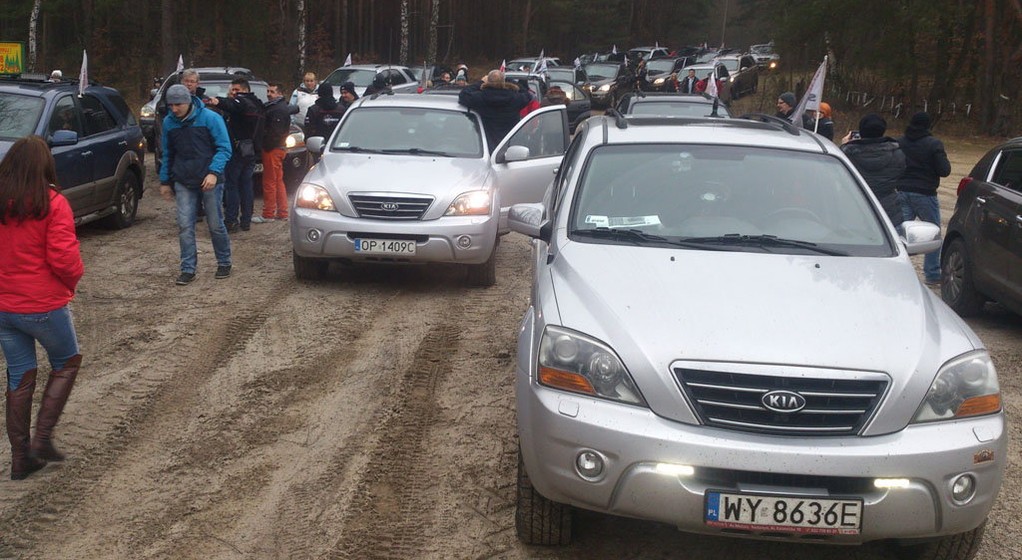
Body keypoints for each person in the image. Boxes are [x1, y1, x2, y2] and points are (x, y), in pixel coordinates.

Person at [0, 136, 84, 480]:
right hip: (42, 304)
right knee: (66, 362)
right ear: (45, 164)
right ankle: (42, 440)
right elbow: (64, 259)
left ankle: (21, 459)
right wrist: (71, 283)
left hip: (4, 306)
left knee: (20, 376)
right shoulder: (53, 203)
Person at [158, 84, 233, 285]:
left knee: (215, 224)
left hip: (210, 178)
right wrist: (165, 181)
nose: (174, 109)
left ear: (188, 101)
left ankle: (224, 261)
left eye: (178, 105)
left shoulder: (211, 118)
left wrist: (214, 172)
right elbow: (167, 153)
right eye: (171, 105)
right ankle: (188, 268)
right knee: (184, 225)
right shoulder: (169, 123)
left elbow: (224, 148)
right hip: (184, 179)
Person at [897, 111, 951, 285]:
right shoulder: (934, 144)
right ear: (928, 125)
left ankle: (896, 268)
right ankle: (932, 273)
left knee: (898, 234)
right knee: (932, 234)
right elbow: (945, 170)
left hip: (902, 190)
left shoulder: (900, 142)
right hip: (925, 193)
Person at [207, 77, 264, 233]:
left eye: (236, 90)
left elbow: (231, 104)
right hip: (251, 151)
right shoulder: (258, 104)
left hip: (238, 151)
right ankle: (246, 220)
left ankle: (231, 220)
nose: (233, 93)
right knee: (246, 185)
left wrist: (217, 101)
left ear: (245, 90)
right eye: (232, 90)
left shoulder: (242, 102)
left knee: (232, 185)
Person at [840, 113, 905, 227]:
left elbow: (838, 175)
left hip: (855, 208)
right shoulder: (897, 153)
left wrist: (844, 146)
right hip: (888, 210)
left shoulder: (848, 154)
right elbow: (900, 174)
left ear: (861, 131)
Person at [458, 69, 532, 150]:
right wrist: (510, 81)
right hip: (510, 144)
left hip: (485, 145)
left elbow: (463, 94)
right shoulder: (515, 98)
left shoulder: (480, 98)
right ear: (503, 82)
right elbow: (527, 94)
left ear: (488, 82)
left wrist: (481, 82)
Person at [253, 83, 293, 223]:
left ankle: (268, 213)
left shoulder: (277, 109)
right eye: (268, 91)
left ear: (279, 93)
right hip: (278, 148)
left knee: (269, 181)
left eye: (272, 91)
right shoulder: (277, 107)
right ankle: (282, 212)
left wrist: (266, 145)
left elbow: (276, 132)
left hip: (273, 149)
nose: (269, 94)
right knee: (278, 180)